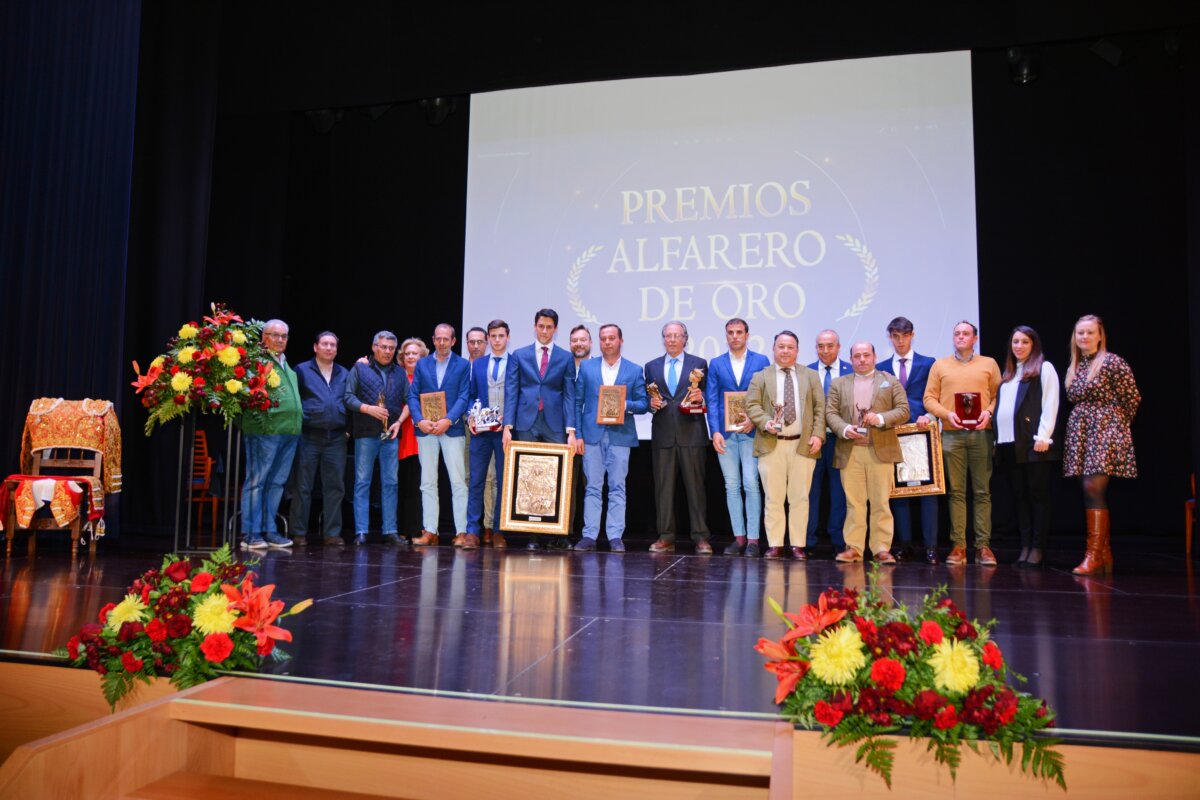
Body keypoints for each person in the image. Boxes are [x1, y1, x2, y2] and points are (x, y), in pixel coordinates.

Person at [1062, 314, 1139, 576]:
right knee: (1087, 488)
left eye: (1089, 332)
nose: (1084, 337)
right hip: (1081, 431)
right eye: (1080, 333)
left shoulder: (1113, 362)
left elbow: (1132, 398)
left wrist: (1115, 425)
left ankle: (1093, 555)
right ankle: (1104, 555)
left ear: (1099, 335)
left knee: (1093, 486)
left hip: (1105, 429)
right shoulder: (1076, 365)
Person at [923, 321, 1002, 566]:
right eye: (956, 333)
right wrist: (947, 415)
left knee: (982, 492)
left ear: (975, 339)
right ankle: (958, 546)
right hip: (951, 435)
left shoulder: (989, 364)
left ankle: (983, 547)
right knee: (956, 492)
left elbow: (999, 396)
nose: (960, 337)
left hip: (981, 434)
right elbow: (929, 398)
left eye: (965, 333)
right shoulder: (940, 365)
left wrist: (988, 413)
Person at [825, 342, 909, 564]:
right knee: (854, 503)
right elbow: (830, 413)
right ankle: (854, 548)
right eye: (857, 356)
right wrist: (844, 428)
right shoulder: (838, 383)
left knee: (881, 502)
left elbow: (904, 410)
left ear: (874, 356)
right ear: (851, 359)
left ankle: (881, 548)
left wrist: (880, 419)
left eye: (866, 355)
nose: (862, 359)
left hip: (879, 451)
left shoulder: (890, 381)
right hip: (850, 451)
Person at [503, 308, 578, 550]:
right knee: (528, 476)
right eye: (541, 326)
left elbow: (569, 395)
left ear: (555, 329)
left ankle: (561, 532)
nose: (545, 331)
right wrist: (508, 426)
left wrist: (571, 430)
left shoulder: (565, 358)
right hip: (526, 421)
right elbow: (511, 391)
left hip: (555, 422)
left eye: (549, 327)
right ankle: (533, 535)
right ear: (535, 326)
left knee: (559, 477)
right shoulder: (519, 355)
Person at [746, 331, 824, 560]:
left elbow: (821, 408)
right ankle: (775, 544)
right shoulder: (760, 376)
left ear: (797, 350)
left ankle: (798, 545)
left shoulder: (810, 376)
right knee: (773, 497)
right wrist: (764, 422)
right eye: (781, 346)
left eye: (790, 347)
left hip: (803, 445)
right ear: (774, 349)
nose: (785, 351)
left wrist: (818, 435)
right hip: (772, 445)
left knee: (800, 497)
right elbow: (751, 406)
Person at [573, 324, 649, 552]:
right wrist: (577, 434)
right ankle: (589, 536)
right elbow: (577, 403)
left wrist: (624, 405)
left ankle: (615, 536)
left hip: (620, 437)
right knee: (593, 488)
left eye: (612, 338)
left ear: (621, 341)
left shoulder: (634, 370)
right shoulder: (587, 368)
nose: (607, 342)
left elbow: (644, 404)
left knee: (617, 487)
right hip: (592, 436)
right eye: (603, 339)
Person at [995, 326, 1060, 567]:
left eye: (1024, 342)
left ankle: (1038, 547)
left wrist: (1044, 436)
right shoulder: (1010, 373)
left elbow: (1050, 404)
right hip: (1010, 444)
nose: (1019, 346)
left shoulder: (1044, 368)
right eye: (1015, 342)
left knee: (1038, 496)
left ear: (1034, 345)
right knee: (1020, 497)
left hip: (1035, 444)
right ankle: (1025, 546)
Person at [878, 316, 940, 563]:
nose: (900, 340)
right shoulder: (881, 367)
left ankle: (931, 546)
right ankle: (904, 544)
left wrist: (930, 415)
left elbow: (936, 394)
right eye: (895, 335)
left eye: (904, 335)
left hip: (922, 432)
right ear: (890, 337)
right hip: (893, 434)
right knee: (898, 493)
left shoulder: (929, 363)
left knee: (928, 492)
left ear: (912, 335)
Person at [705, 318, 770, 556]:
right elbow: (711, 400)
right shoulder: (717, 363)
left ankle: (754, 540)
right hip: (726, 434)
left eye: (739, 332)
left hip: (752, 432)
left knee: (751, 483)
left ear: (747, 335)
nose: (735, 336)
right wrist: (715, 432)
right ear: (726, 336)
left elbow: (767, 396)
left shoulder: (761, 361)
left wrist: (755, 419)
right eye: (730, 333)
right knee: (731, 486)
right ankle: (739, 538)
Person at [645, 321, 711, 553]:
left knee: (696, 488)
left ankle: (701, 537)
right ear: (663, 339)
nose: (672, 339)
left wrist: (700, 398)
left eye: (677, 335)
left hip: (692, 433)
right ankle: (666, 537)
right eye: (668, 336)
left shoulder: (699, 364)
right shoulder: (651, 366)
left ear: (685, 338)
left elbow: (706, 399)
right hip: (663, 435)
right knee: (663, 489)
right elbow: (651, 400)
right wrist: (651, 404)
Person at [239, 319, 302, 550]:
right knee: (257, 481)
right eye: (275, 335)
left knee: (277, 483)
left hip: (289, 431)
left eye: (284, 336)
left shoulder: (286, 366)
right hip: (264, 431)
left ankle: (269, 529)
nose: (280, 340)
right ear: (263, 337)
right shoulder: (256, 363)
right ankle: (250, 533)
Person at [344, 331, 408, 546]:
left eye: (391, 348)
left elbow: (409, 400)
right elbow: (348, 398)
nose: (387, 351)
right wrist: (369, 409)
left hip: (390, 435)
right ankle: (361, 531)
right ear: (374, 347)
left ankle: (390, 530)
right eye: (383, 347)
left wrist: (400, 421)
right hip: (365, 434)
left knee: (391, 483)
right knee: (362, 482)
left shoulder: (399, 373)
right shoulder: (359, 369)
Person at [409, 324, 472, 546]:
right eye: (438, 339)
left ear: (453, 341)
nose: (442, 343)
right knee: (427, 482)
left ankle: (462, 532)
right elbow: (413, 395)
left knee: (458, 482)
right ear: (433, 340)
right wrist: (420, 420)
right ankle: (430, 531)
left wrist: (448, 420)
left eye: (446, 339)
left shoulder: (463, 365)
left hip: (452, 430)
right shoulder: (422, 364)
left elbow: (464, 397)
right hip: (425, 430)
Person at [288, 331, 350, 546]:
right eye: (325, 344)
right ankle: (298, 533)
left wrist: (348, 431)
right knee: (303, 486)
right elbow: (294, 402)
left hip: (336, 438)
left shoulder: (344, 372)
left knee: (335, 487)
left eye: (333, 345)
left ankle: (332, 534)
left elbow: (350, 402)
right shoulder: (302, 370)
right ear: (315, 347)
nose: (329, 348)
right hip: (309, 436)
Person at [807, 329, 852, 556]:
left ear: (839, 346)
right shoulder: (806, 372)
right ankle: (808, 541)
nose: (825, 350)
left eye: (830, 345)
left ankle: (839, 540)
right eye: (821, 346)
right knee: (810, 492)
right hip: (812, 440)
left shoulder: (850, 371)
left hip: (840, 440)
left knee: (839, 492)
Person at [465, 319, 510, 550]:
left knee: (503, 481)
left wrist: (510, 422)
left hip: (505, 434)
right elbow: (472, 395)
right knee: (476, 480)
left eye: (501, 335)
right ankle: (472, 531)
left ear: (508, 337)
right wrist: (471, 416)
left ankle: (500, 531)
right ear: (489, 338)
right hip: (481, 432)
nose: (497, 340)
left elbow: (518, 397)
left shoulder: (515, 363)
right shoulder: (479, 364)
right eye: (493, 336)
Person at [464, 325, 497, 544]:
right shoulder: (459, 367)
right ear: (466, 343)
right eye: (472, 342)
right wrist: (469, 415)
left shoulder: (491, 366)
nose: (476, 346)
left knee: (491, 478)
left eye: (480, 342)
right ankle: (470, 528)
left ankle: (489, 526)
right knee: (470, 478)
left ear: (486, 343)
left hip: (492, 429)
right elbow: (466, 396)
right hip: (467, 428)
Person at [396, 338, 426, 539]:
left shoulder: (427, 378)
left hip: (422, 438)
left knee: (419, 486)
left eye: (415, 353)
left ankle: (417, 528)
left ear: (422, 356)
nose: (410, 356)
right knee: (402, 485)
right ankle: (401, 530)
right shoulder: (397, 377)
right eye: (407, 353)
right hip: (399, 437)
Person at [568, 324, 593, 538]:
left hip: (592, 436)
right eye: (575, 340)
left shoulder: (598, 368)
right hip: (566, 436)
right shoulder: (563, 368)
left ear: (590, 343)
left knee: (591, 486)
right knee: (567, 485)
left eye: (583, 340)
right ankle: (565, 531)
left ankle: (589, 533)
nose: (578, 343)